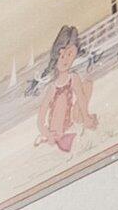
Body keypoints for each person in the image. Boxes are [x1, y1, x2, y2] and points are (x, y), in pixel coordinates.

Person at [34, 23, 100, 155]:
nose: (66, 60)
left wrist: (86, 117)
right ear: (57, 55)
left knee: (87, 85)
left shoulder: (73, 78)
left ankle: (84, 120)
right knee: (70, 96)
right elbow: (41, 118)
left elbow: (81, 99)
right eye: (63, 55)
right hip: (56, 130)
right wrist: (47, 133)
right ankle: (67, 131)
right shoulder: (52, 87)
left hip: (70, 122)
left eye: (70, 56)